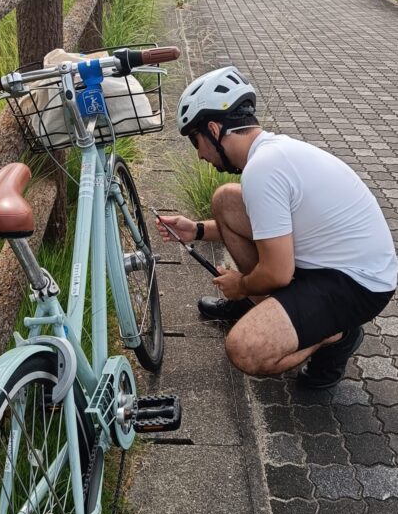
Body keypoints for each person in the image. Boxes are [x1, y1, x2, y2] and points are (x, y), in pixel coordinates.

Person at [156, 67, 397, 388]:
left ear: (214, 129)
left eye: (195, 141)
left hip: (358, 284)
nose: (199, 154)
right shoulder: (270, 154)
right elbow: (266, 225)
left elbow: (278, 272)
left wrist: (240, 285)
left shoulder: (262, 169)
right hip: (334, 261)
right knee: (227, 200)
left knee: (245, 349)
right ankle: (268, 307)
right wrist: (196, 230)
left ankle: (338, 335)